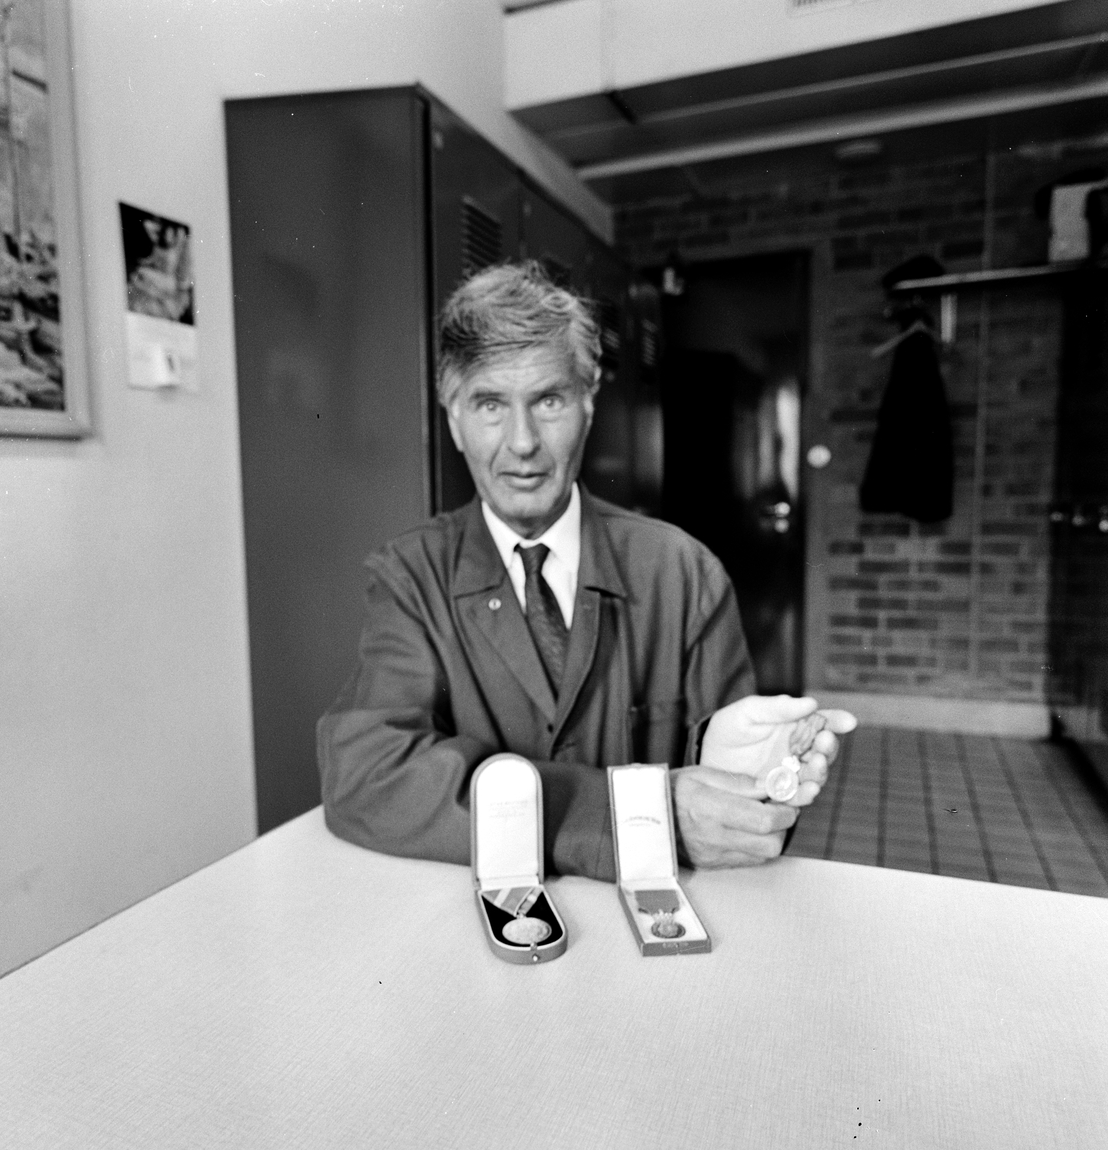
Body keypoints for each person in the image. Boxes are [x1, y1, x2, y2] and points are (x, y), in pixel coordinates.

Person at [317, 262, 855, 881]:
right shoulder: (410, 577)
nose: (522, 442)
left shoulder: (683, 571)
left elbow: (736, 816)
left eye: (548, 400)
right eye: (490, 404)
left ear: (589, 404)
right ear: (453, 419)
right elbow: (367, 774)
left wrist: (743, 773)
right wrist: (629, 815)